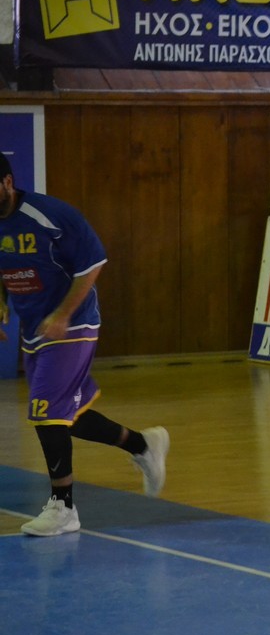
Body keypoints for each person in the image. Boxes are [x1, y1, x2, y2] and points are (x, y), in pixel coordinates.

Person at [0, 152, 169, 537]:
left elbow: (92, 262)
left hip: (72, 325)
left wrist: (63, 314)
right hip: (36, 330)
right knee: (68, 417)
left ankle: (63, 507)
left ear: (7, 183)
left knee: (45, 412)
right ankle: (143, 445)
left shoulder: (50, 215)